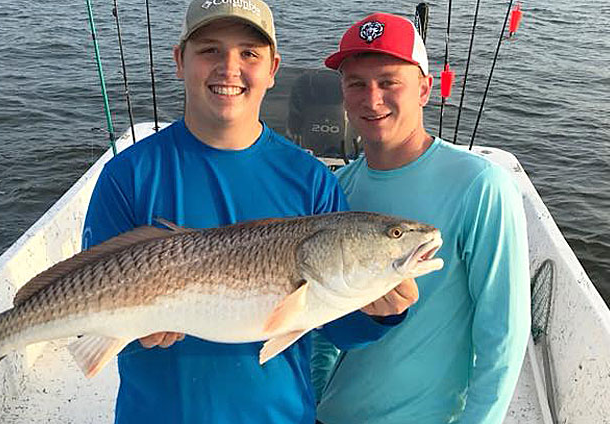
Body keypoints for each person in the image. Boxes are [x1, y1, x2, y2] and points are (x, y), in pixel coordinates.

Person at [81, 2, 415, 423]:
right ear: (179, 60)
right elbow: (87, 305)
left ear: (273, 68)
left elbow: (336, 327)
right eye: (209, 51)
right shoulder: (127, 176)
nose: (229, 67)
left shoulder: (311, 181)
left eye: (249, 53)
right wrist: (135, 333)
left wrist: (380, 311)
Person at [312, 12, 531, 424]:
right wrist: (316, 400)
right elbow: (321, 323)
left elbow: (503, 332)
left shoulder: (481, 185)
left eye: (389, 82)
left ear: (425, 89)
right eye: (356, 83)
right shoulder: (335, 189)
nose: (371, 99)